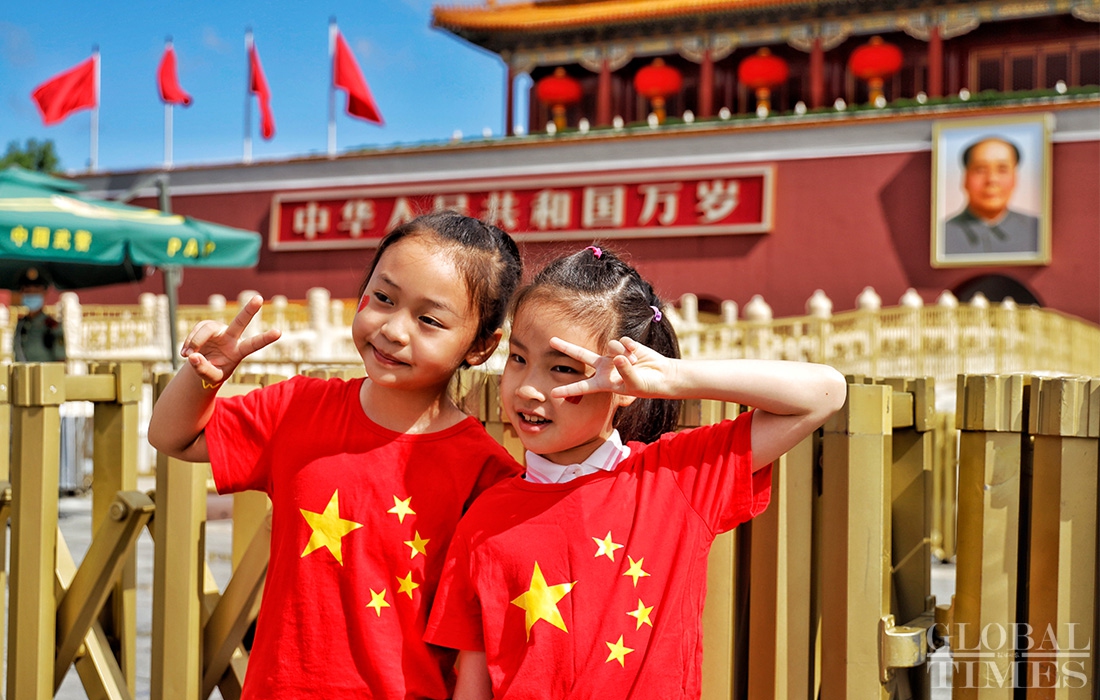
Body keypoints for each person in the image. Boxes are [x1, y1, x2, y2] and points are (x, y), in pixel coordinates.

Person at [424, 246, 847, 699]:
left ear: (623, 382)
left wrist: (671, 378)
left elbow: (824, 393)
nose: (529, 388)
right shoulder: (484, 519)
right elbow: (474, 681)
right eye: (518, 358)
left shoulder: (675, 479)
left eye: (563, 369)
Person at [148, 212, 524, 700]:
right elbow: (171, 437)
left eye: (429, 320)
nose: (394, 329)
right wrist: (203, 378)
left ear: (481, 346)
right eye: (383, 298)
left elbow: (481, 633)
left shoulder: (488, 474)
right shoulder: (296, 409)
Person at [943, 136, 1039, 255]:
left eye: (1002, 169)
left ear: (1015, 178)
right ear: (965, 178)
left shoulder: (1038, 230)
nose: (992, 180)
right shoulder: (940, 235)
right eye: (980, 170)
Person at [14, 266, 66, 362]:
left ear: (44, 294)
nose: (31, 295)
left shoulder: (52, 326)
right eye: (27, 292)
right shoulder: (20, 325)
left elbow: (61, 361)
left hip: (47, 372)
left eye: (36, 292)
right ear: (21, 293)